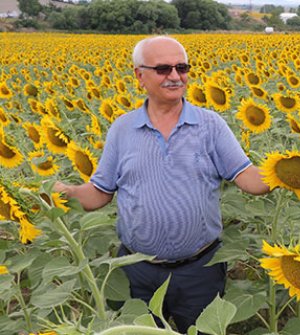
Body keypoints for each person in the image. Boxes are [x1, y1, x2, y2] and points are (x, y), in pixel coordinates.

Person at [54, 35, 271, 332]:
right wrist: (64, 194)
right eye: (163, 69)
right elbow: (99, 192)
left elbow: (246, 175)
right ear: (139, 76)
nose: (175, 76)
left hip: (199, 270)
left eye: (182, 67)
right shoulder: (123, 129)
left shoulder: (210, 125)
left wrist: (283, 174)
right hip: (135, 270)